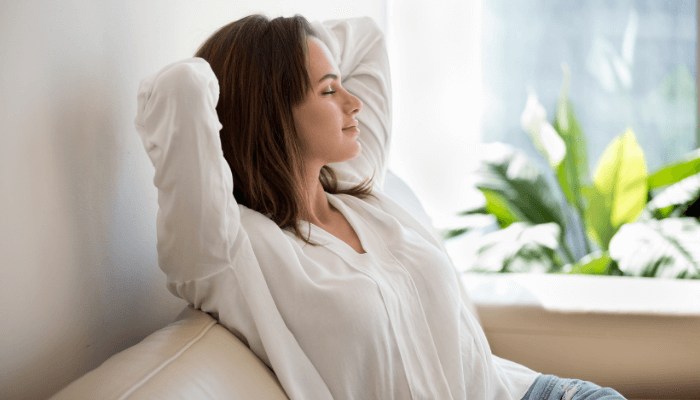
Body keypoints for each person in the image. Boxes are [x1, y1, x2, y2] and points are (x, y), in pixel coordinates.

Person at [135, 14, 625, 400]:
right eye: (329, 90)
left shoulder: (357, 186)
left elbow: (368, 37)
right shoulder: (231, 251)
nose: (354, 102)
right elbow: (181, 87)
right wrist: (255, 61)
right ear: (273, 114)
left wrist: (293, 43)